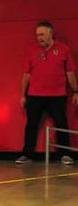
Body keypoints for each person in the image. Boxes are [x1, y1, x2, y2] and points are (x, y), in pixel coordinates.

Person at [15, 21, 78, 165]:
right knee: (31, 125)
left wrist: (75, 91)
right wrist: (23, 95)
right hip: (35, 95)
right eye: (37, 35)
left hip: (57, 96)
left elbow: (70, 72)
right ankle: (27, 154)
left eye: (42, 34)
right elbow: (26, 75)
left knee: (61, 124)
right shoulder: (32, 50)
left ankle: (65, 155)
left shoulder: (63, 49)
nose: (39, 38)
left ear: (50, 34)